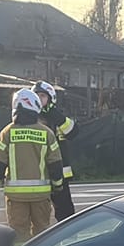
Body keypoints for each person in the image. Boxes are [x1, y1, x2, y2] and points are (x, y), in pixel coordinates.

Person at [0, 88, 66, 244]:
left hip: (16, 196)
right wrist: (58, 186)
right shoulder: (47, 133)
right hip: (41, 196)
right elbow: (56, 164)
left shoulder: (7, 132)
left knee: (18, 235)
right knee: (42, 232)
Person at [34, 81, 77, 220]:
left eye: (43, 96)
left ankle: (69, 240)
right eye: (36, 95)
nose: (39, 99)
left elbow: (73, 132)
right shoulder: (30, 118)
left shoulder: (58, 117)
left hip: (60, 173)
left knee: (66, 212)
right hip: (38, 173)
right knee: (39, 213)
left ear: (51, 98)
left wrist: (56, 116)